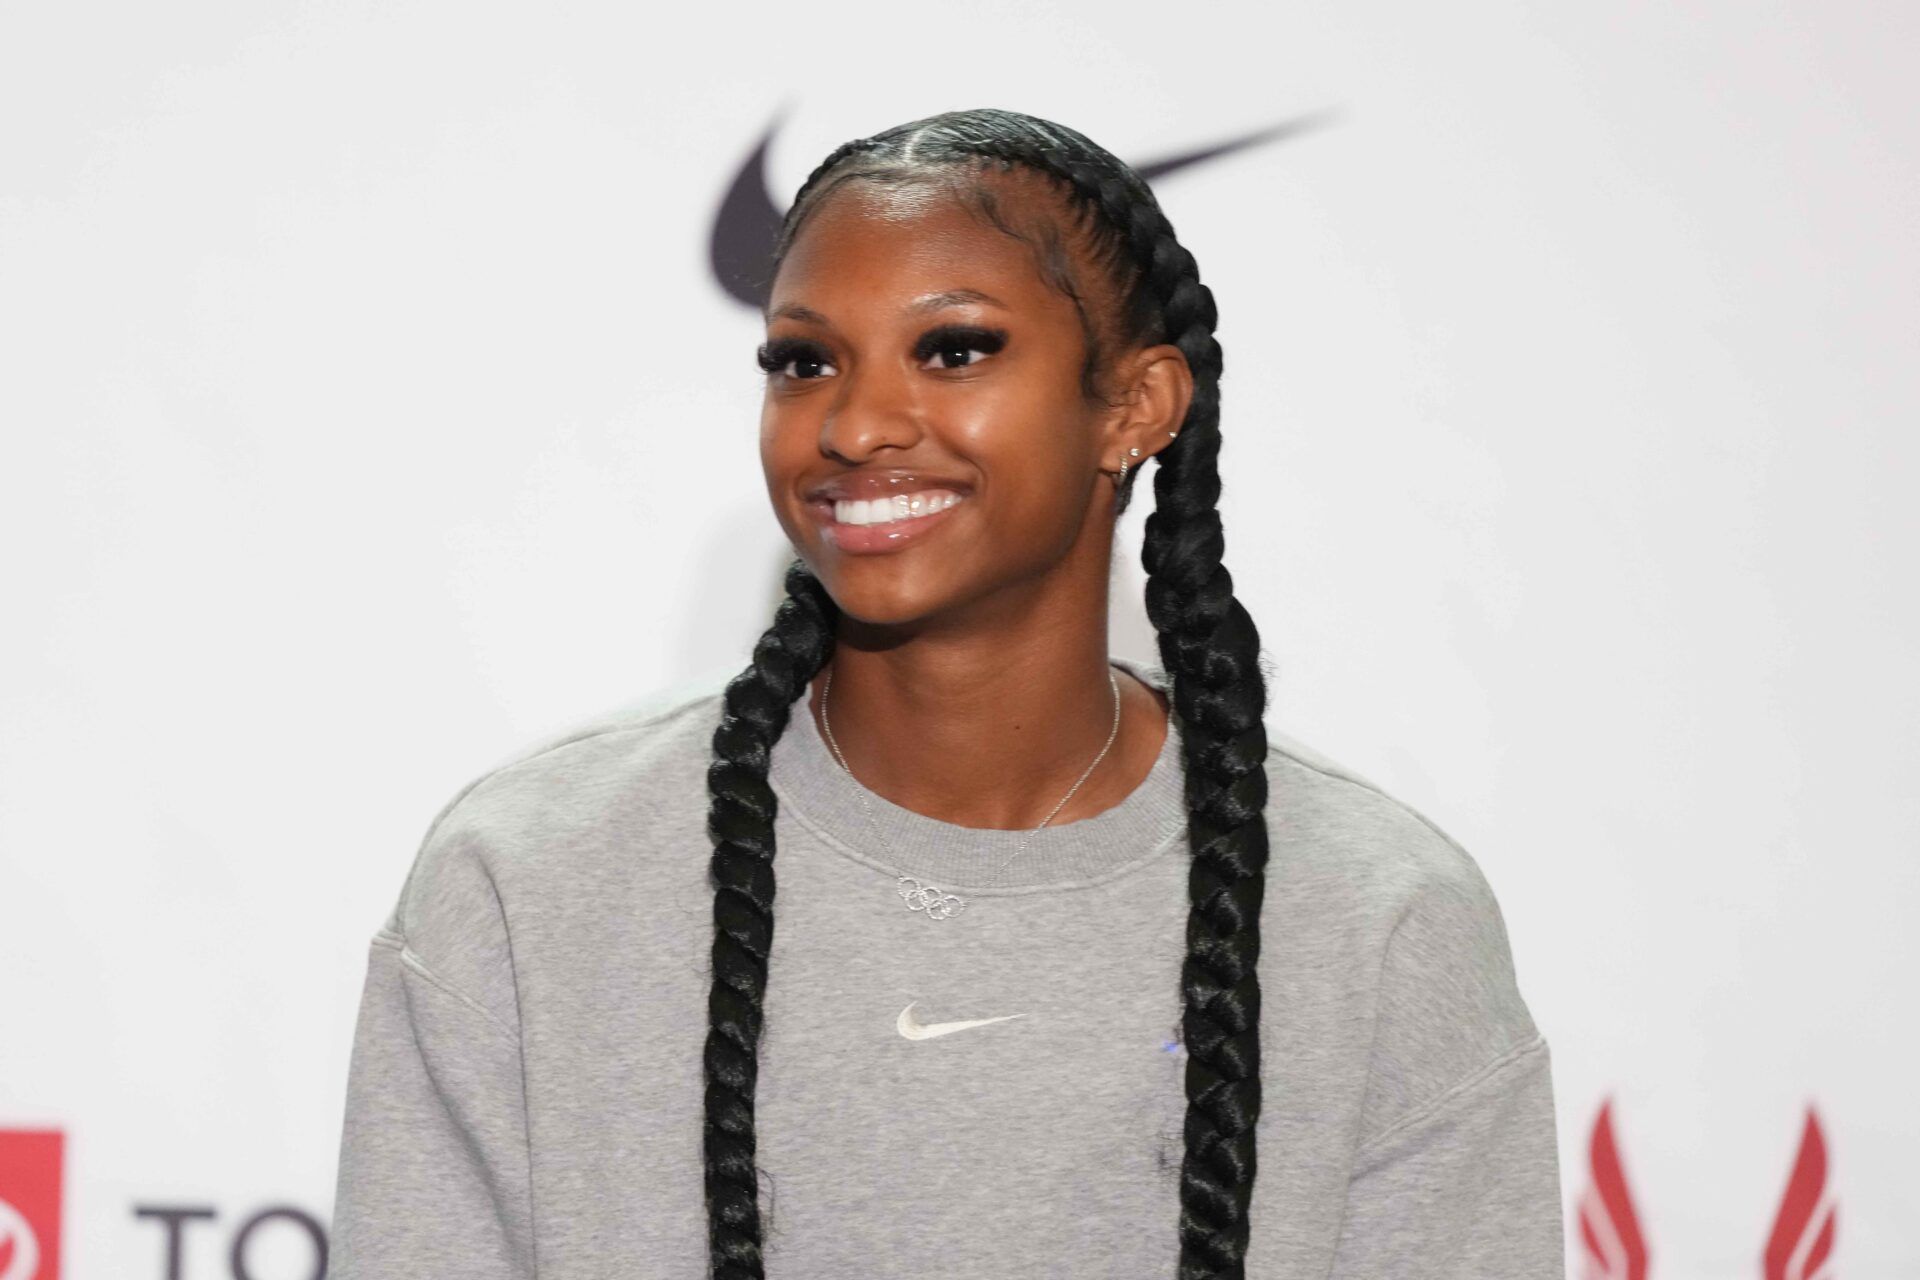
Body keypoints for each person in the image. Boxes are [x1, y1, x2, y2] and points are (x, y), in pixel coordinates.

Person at [327, 108, 1564, 1279]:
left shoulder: (1377, 913)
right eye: (804, 360)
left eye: (955, 348)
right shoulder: (534, 873)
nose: (858, 423)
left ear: (1135, 406)